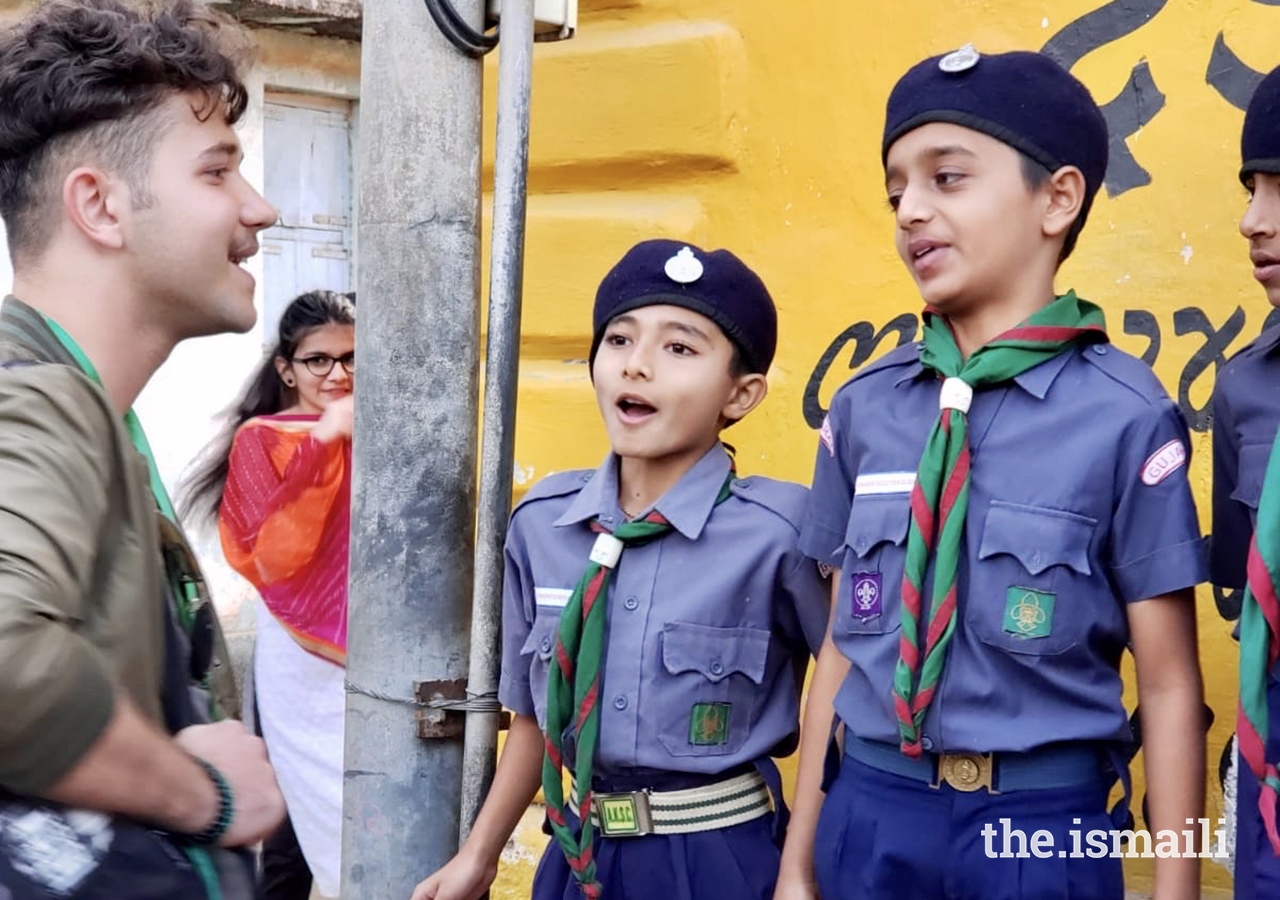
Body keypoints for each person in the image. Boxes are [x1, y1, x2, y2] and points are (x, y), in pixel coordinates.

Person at [775, 46, 1207, 900]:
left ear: (1058, 199)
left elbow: (1166, 682)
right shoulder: (866, 409)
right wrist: (798, 864)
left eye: (947, 179)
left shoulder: (1125, 414)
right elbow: (838, 652)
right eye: (897, 189)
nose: (911, 211)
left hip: (1041, 827)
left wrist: (1176, 888)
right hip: (869, 808)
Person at [410, 239, 830, 900]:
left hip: (722, 861)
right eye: (619, 340)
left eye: (679, 348)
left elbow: (843, 690)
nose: (637, 367)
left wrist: (802, 868)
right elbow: (532, 716)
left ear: (741, 394)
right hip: (582, 861)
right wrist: (480, 856)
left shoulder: (780, 531)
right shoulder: (543, 524)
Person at [0, 0, 284, 897]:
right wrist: (201, 792)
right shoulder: (37, 399)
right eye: (217, 172)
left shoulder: (80, 401)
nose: (260, 209)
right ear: (100, 205)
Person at [181, 289, 356, 900]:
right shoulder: (264, 439)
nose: (338, 374)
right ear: (287, 368)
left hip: (385, 644)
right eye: (319, 360)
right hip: (303, 652)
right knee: (311, 819)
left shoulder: (390, 432)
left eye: (353, 358)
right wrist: (325, 441)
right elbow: (276, 559)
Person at [1209, 63, 1280, 900]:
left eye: (1278, 189)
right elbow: (1241, 589)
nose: (1250, 222)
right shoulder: (1246, 389)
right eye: (1251, 188)